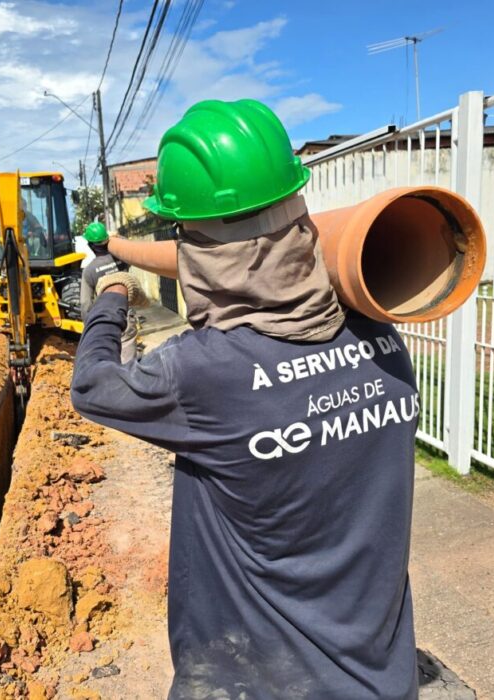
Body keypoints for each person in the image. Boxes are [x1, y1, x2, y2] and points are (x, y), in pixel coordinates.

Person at [71, 99, 419, 699]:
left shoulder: (204, 372)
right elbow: (247, 263)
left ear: (198, 250)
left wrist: (111, 293)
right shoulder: (382, 338)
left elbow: (92, 386)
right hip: (381, 681)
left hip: (257, 682)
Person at [80, 221, 138, 364]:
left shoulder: (89, 271)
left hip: (106, 319)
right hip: (126, 315)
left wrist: (90, 327)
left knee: (110, 359)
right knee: (129, 361)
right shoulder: (121, 257)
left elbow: (85, 304)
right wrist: (116, 237)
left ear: (90, 245)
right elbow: (130, 246)